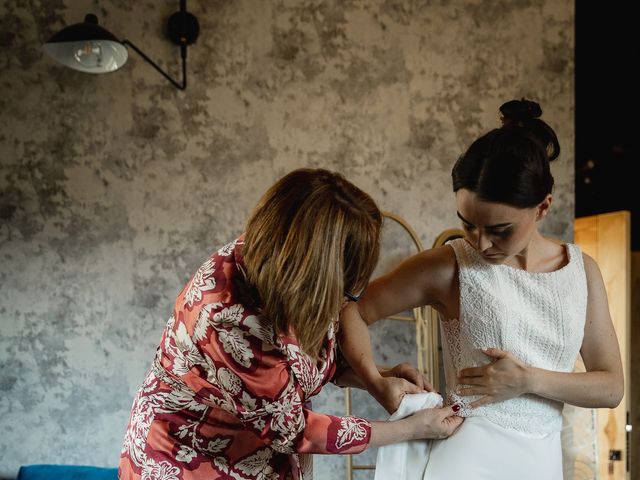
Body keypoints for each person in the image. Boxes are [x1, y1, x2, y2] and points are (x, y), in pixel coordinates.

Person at [339, 100, 624, 479]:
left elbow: (610, 387)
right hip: (466, 457)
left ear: (542, 207)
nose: (482, 243)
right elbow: (349, 309)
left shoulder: (581, 271)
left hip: (542, 462)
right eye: (469, 225)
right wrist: (377, 381)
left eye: (499, 230)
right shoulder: (448, 265)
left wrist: (528, 380)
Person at [118, 168, 463, 480]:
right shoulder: (227, 317)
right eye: (346, 290)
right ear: (315, 274)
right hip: (190, 458)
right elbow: (296, 431)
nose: (348, 301)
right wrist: (412, 429)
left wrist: (379, 378)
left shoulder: (286, 275)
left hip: (256, 452)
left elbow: (304, 368)